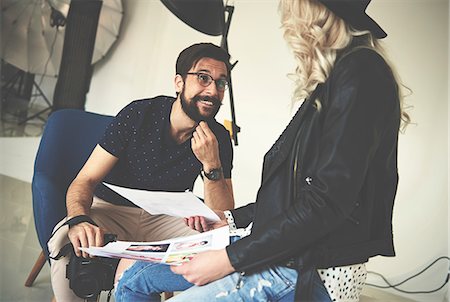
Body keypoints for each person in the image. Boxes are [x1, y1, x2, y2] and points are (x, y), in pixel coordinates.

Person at [115, 0, 411, 301]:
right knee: (133, 279)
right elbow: (294, 197)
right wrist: (230, 221)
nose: (287, 19)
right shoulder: (338, 77)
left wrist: (227, 259)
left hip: (306, 267)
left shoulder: (362, 73)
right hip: (278, 247)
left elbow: (326, 202)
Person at [47, 42, 235, 302]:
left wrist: (212, 165)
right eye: (203, 78)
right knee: (67, 241)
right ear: (179, 82)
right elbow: (85, 179)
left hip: (167, 218)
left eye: (221, 82)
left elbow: (222, 220)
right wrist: (79, 219)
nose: (213, 90)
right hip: (111, 210)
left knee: (224, 246)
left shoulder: (218, 138)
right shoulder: (139, 114)